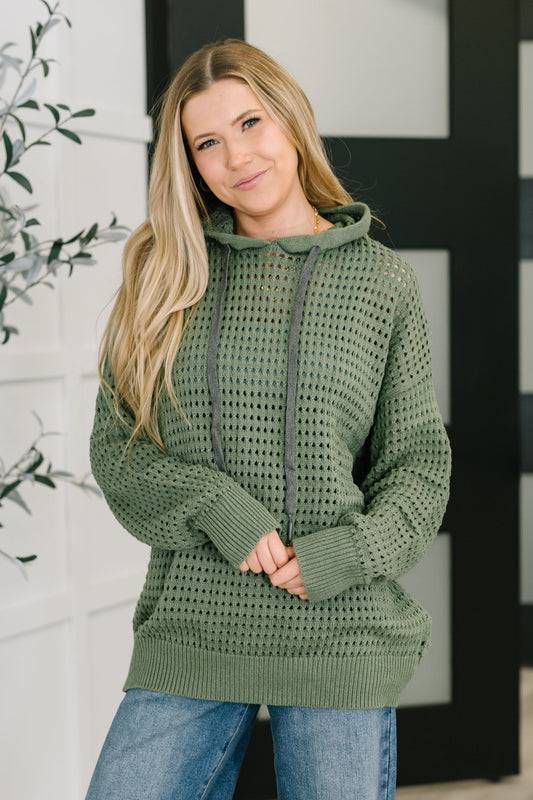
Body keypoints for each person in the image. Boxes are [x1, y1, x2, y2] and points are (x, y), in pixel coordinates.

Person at [86, 38, 451, 800]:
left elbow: (417, 465)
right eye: (207, 142)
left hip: (339, 630)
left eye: (250, 124)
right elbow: (118, 448)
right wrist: (219, 507)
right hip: (193, 625)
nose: (236, 156)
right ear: (188, 163)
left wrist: (345, 555)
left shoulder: (380, 282)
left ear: (290, 122)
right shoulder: (165, 274)